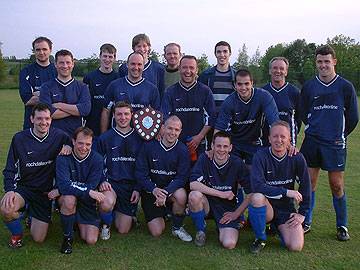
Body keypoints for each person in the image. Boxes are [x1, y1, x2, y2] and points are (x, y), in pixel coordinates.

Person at [299, 45, 359, 240]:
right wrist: (315, 128)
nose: (323, 65)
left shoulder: (345, 86)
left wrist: (338, 133)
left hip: (334, 143)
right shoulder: (309, 86)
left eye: (327, 61)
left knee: (336, 184)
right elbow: (302, 112)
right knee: (310, 183)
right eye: (319, 61)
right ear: (316, 63)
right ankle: (306, 221)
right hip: (312, 141)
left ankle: (342, 225)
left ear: (334, 61)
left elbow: (353, 117)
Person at [0, 103, 70, 248]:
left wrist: (69, 145)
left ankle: (32, 213)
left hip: (45, 192)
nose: (43, 122)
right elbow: (9, 168)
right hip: (24, 188)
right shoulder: (19, 139)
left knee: (38, 238)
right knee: (6, 209)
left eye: (47, 118)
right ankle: (17, 235)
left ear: (51, 119)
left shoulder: (60, 136)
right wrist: (9, 190)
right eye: (39, 118)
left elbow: (77, 145)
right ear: (31, 119)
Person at [248, 120, 311, 254]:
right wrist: (286, 192)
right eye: (275, 136)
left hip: (286, 210)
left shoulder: (297, 158)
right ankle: (260, 238)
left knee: (296, 246)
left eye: (283, 136)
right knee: (257, 197)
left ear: (289, 139)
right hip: (267, 207)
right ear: (269, 138)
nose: (279, 140)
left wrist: (302, 214)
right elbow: (257, 186)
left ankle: (277, 228)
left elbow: (306, 187)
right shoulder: (260, 156)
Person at [188, 131, 251, 249]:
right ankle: (201, 231)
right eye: (218, 146)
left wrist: (236, 214)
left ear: (231, 147)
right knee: (194, 196)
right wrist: (221, 193)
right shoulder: (204, 159)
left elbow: (252, 193)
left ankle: (222, 228)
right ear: (212, 146)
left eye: (225, 146)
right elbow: (193, 184)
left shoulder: (237, 163)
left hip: (227, 209)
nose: (221, 149)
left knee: (229, 244)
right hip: (208, 205)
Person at [135, 116, 192, 242]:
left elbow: (182, 177)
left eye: (176, 130)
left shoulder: (182, 150)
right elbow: (140, 174)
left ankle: (177, 227)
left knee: (181, 195)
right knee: (156, 232)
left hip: (169, 192)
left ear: (180, 131)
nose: (172, 132)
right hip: (151, 192)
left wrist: (165, 192)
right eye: (170, 128)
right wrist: (154, 189)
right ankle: (164, 213)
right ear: (163, 128)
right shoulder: (149, 146)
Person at [96, 101, 143, 240]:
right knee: (106, 202)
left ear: (132, 115)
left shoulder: (140, 138)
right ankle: (105, 225)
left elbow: (143, 168)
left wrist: (138, 188)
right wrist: (102, 181)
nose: (123, 117)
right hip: (111, 184)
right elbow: (96, 164)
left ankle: (119, 213)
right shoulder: (105, 138)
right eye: (119, 114)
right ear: (114, 116)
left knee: (123, 229)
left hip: (130, 187)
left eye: (126, 114)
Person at [54, 127, 104, 254]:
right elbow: (64, 186)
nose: (84, 147)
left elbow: (92, 185)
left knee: (91, 240)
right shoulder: (63, 158)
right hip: (71, 197)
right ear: (73, 141)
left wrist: (70, 187)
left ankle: (75, 220)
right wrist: (87, 191)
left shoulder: (97, 159)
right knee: (69, 199)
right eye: (80, 143)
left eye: (88, 144)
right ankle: (67, 237)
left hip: (87, 201)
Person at [215, 69, 279, 165]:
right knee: (232, 172)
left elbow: (275, 124)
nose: (243, 87)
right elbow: (219, 129)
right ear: (235, 85)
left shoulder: (264, 96)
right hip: (235, 143)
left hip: (255, 142)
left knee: (255, 173)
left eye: (246, 83)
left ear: (252, 83)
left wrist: (284, 143)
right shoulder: (229, 102)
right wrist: (214, 148)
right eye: (239, 84)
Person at [161, 55, 216, 160]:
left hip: (199, 145)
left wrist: (199, 137)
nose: (188, 71)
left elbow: (211, 118)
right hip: (175, 144)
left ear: (197, 70)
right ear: (179, 69)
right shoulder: (170, 91)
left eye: (191, 68)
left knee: (197, 175)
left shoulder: (205, 91)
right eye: (185, 67)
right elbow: (164, 117)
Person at [100, 52, 160, 133]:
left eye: (139, 64)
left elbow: (156, 115)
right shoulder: (115, 85)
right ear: (127, 65)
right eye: (133, 64)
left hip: (141, 137)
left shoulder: (152, 89)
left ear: (143, 66)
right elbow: (106, 111)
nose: (136, 67)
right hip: (117, 136)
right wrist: (103, 136)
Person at [40, 49, 91, 136]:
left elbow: (85, 110)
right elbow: (48, 113)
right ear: (55, 64)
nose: (65, 66)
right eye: (61, 63)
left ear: (73, 64)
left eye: (68, 62)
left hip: (75, 138)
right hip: (52, 137)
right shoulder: (46, 87)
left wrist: (60, 105)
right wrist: (76, 110)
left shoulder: (82, 87)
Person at [19, 37, 57, 130]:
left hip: (55, 125)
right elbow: (28, 100)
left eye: (44, 49)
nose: (41, 52)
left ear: (50, 50)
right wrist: (52, 95)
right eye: (38, 50)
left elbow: (64, 96)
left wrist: (39, 94)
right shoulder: (26, 72)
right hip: (32, 125)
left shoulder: (58, 71)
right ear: (34, 51)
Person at [262, 57, 301, 146]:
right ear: (270, 71)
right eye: (275, 68)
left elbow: (298, 118)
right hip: (266, 143)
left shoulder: (294, 92)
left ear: (286, 72)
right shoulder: (263, 92)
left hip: (287, 144)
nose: (278, 71)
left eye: (281, 68)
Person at [83, 44, 118, 137]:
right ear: (100, 57)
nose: (107, 59)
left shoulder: (118, 78)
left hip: (112, 124)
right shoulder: (89, 77)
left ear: (114, 58)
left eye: (110, 57)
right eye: (105, 56)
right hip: (91, 123)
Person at [199, 41, 236, 114]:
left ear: (230, 53)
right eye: (219, 52)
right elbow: (199, 99)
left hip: (231, 120)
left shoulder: (236, 76)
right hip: (211, 120)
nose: (222, 55)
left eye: (225, 51)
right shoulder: (205, 75)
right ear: (215, 54)